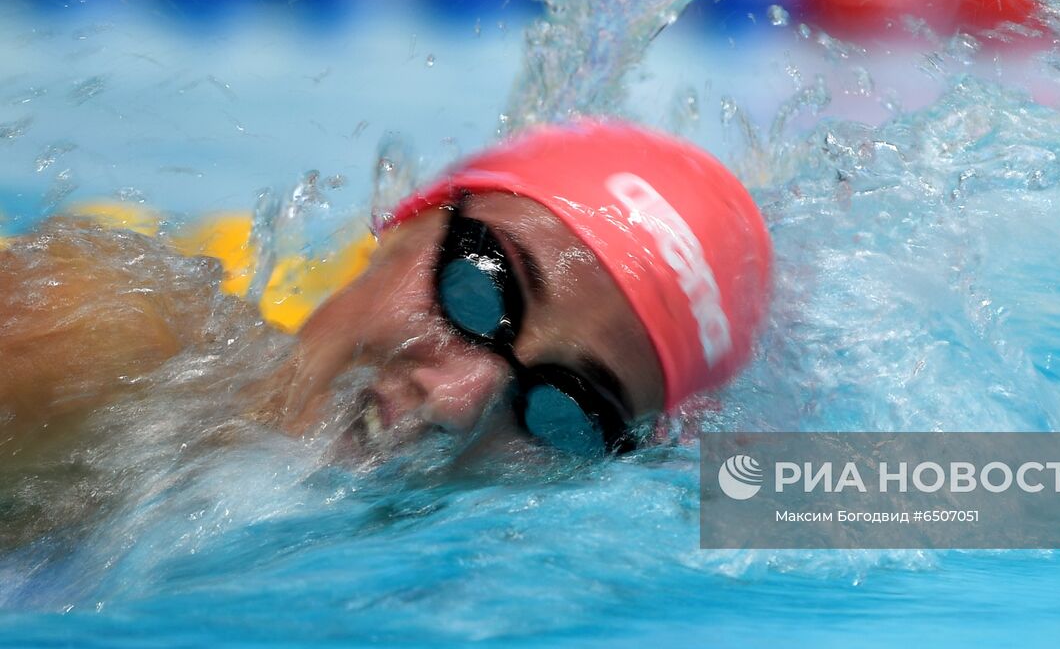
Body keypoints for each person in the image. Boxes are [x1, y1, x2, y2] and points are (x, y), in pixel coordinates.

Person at [0, 119, 773, 477]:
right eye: (482, 288)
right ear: (407, 215)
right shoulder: (94, 338)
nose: (466, 402)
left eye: (569, 407)